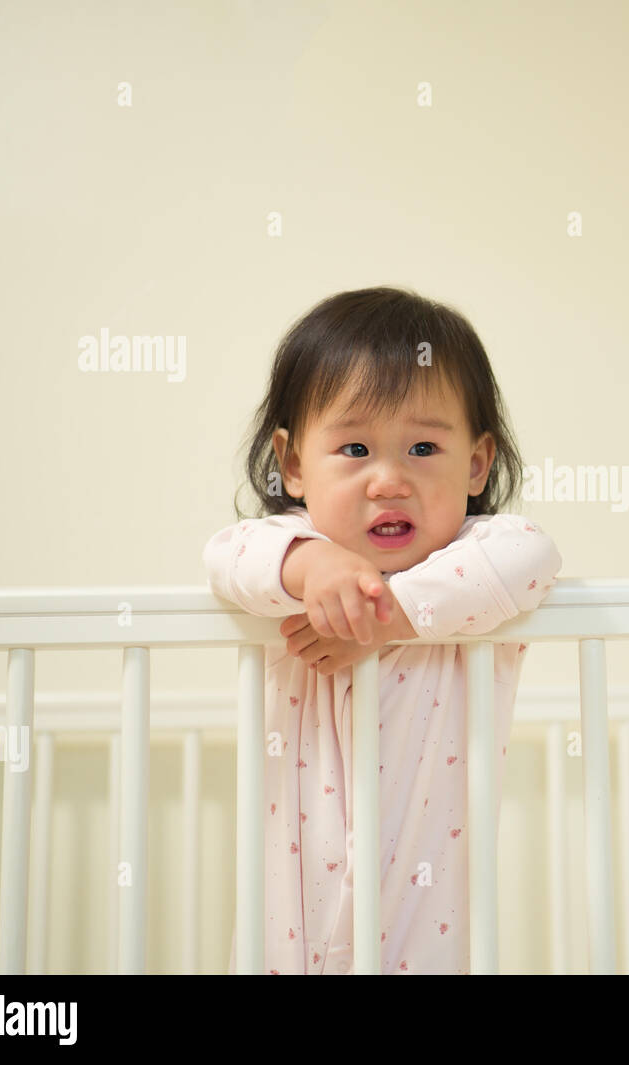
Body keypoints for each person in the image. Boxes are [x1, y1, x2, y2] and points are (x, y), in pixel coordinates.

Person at [203, 287, 562, 974]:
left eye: (424, 446)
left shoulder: (477, 570)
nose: (389, 479)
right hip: (289, 927)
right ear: (295, 463)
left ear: (478, 463)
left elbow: (534, 552)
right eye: (356, 447)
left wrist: (385, 616)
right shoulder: (286, 553)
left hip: (425, 928)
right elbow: (223, 555)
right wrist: (313, 567)